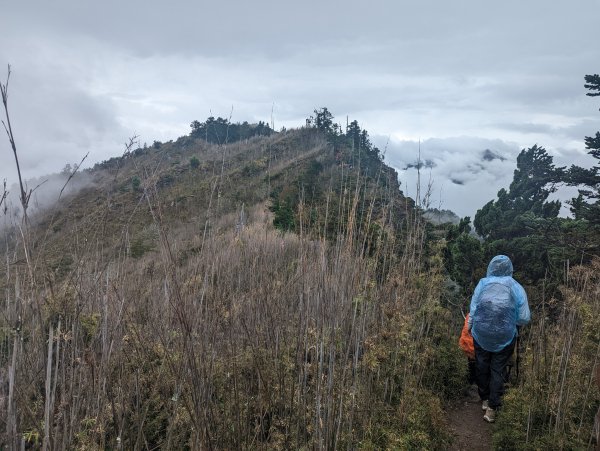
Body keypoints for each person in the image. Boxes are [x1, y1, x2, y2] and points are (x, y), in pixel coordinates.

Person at [468, 255, 530, 423]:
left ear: (491, 267)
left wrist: (470, 327)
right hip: (505, 335)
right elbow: (524, 317)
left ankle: (485, 398)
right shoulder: (515, 286)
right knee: (498, 369)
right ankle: (492, 409)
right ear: (509, 269)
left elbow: (473, 308)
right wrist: (510, 320)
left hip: (481, 333)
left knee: (482, 364)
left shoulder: (483, 283)